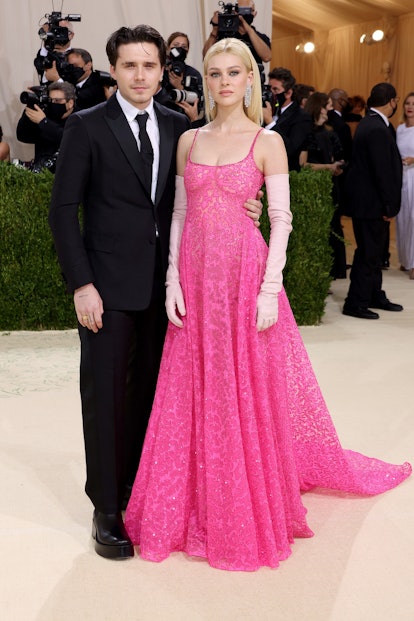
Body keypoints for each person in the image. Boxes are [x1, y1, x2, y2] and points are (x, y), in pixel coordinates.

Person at [124, 39, 411, 571]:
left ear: (251, 80)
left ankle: (240, 497)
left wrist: (268, 289)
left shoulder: (267, 141)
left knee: (242, 386)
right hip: (195, 276)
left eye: (235, 72)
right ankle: (191, 499)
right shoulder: (189, 139)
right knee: (193, 385)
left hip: (244, 275)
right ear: (204, 81)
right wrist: (171, 280)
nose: (224, 81)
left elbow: (281, 219)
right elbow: (181, 215)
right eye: (214, 73)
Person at [48, 25, 262, 561]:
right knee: (105, 399)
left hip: (169, 290)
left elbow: (201, 196)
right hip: (106, 290)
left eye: (150, 66)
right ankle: (106, 509)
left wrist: (250, 210)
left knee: (152, 397)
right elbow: (61, 211)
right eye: (130, 66)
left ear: (162, 70)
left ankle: (139, 495)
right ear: (113, 71)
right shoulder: (86, 126)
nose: (141, 75)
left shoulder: (179, 125)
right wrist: (82, 285)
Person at [343, 83, 403, 319]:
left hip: (370, 204)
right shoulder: (376, 128)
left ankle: (373, 294)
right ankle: (355, 302)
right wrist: (389, 204)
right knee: (369, 254)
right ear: (391, 102)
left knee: (375, 254)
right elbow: (382, 172)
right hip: (372, 205)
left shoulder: (371, 123)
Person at [300, 91, 347, 279]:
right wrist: (328, 166)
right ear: (319, 107)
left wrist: (337, 167)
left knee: (334, 226)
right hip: (313, 189)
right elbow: (303, 165)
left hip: (330, 185)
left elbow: (340, 156)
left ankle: (333, 270)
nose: (330, 109)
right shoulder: (306, 132)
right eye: (328, 105)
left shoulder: (329, 132)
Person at [16, 81, 75, 172]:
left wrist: (44, 122)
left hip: (66, 172)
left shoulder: (80, 118)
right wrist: (32, 105)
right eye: (50, 100)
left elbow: (69, 139)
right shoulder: (46, 114)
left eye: (57, 100)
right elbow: (23, 136)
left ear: (70, 103)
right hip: (40, 173)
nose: (53, 103)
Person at [263, 67, 312, 171]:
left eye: (275, 89)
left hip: (285, 173)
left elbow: (290, 149)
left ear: (288, 93)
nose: (271, 94)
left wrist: (270, 123)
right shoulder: (266, 109)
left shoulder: (301, 117)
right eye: (269, 88)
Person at [202, 0, 271, 64]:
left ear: (254, 13)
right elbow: (206, 58)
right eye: (240, 10)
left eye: (247, 10)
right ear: (235, 11)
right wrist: (215, 29)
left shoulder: (261, 38)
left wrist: (248, 28)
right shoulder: (223, 35)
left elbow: (267, 57)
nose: (243, 14)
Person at [396, 92, 414, 279]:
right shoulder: (400, 129)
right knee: (402, 220)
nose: (410, 107)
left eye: (413, 104)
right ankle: (405, 259)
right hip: (401, 178)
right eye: (407, 103)